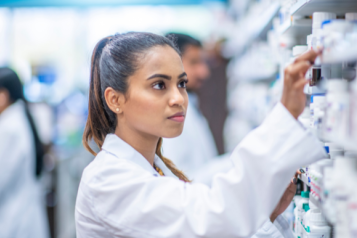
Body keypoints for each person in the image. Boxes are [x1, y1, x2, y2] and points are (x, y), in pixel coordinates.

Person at [75, 32, 325, 238]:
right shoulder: (107, 180)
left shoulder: (157, 168)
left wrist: (264, 214)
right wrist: (285, 117)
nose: (178, 99)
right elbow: (209, 218)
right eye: (159, 85)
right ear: (115, 99)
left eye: (181, 84)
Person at [0, 67, 49, 238]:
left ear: (3, 96)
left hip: (14, 219)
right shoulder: (20, 116)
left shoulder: (8, 128)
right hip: (23, 214)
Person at [162, 33, 218, 180]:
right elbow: (177, 178)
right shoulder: (168, 114)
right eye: (194, 62)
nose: (204, 72)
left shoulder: (191, 104)